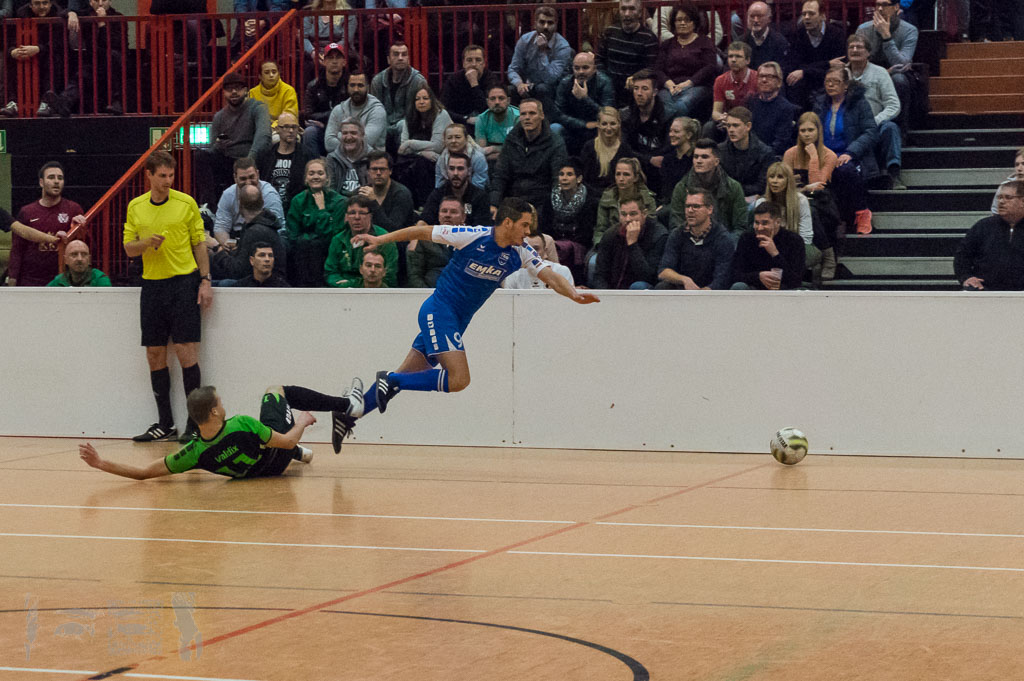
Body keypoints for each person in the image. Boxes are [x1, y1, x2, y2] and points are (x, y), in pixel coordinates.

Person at [335, 197, 598, 441]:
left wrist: (573, 294)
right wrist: (380, 240)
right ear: (508, 222)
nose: (528, 232)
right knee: (458, 379)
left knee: (406, 377)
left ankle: (348, 415)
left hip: (457, 321)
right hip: (439, 311)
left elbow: (551, 276)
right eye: (525, 225)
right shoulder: (473, 235)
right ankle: (389, 378)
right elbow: (421, 231)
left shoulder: (521, 251)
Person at [79, 383, 363, 480]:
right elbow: (287, 442)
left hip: (261, 472)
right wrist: (302, 422)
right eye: (220, 402)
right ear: (214, 412)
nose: (223, 404)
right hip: (280, 455)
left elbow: (144, 473)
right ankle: (346, 406)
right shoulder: (242, 424)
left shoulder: (194, 452)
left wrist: (101, 463)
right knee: (276, 390)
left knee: (270, 440)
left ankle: (301, 453)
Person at [123, 151, 211, 443]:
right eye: (162, 176)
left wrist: (205, 280)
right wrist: (146, 243)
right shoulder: (136, 206)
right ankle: (165, 424)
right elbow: (128, 248)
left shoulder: (186, 203)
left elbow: (199, 243)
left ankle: (194, 425)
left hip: (183, 283)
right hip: (152, 286)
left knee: (186, 351)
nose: (168, 181)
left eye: (171, 175)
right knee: (154, 354)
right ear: (148, 175)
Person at [813, 65, 877, 235]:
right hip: (823, 155)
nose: (830, 85)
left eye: (835, 81)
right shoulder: (819, 104)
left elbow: (871, 132)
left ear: (846, 85)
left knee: (844, 170)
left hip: (851, 155)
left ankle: (862, 212)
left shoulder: (859, 103)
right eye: (827, 81)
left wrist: (851, 152)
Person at [196, 71, 272, 208]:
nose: (234, 92)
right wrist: (218, 146)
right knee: (200, 156)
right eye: (229, 89)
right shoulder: (219, 116)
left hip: (253, 159)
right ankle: (209, 207)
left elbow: (263, 136)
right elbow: (212, 147)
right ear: (224, 93)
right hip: (229, 161)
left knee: (266, 151)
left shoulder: (258, 108)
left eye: (238, 88)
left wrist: (250, 159)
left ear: (246, 90)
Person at [489, 100, 568, 228]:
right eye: (523, 114)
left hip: (542, 201)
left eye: (532, 113)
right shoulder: (511, 139)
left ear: (542, 115)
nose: (527, 118)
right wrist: (494, 203)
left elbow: (557, 180)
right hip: (513, 198)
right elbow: (500, 174)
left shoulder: (555, 143)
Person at [8, 161, 84, 287]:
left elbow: (84, 245)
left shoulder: (74, 209)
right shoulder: (27, 212)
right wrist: (12, 278)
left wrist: (81, 229)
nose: (56, 181)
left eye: (60, 178)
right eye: (51, 177)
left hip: (64, 279)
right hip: (31, 280)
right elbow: (17, 249)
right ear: (41, 182)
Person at [784, 111, 840, 279]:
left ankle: (827, 259)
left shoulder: (829, 155)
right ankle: (827, 255)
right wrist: (805, 189)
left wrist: (814, 157)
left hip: (822, 200)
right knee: (806, 207)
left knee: (812, 210)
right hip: (794, 198)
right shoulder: (790, 154)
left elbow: (819, 185)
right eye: (803, 130)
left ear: (818, 131)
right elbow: (784, 184)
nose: (807, 134)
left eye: (810, 130)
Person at [846, 34, 903, 190]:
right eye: (851, 47)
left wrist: (874, 121)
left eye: (859, 47)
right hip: (849, 125)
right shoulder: (841, 74)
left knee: (891, 128)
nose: (855, 50)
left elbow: (893, 104)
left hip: (876, 124)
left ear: (868, 52)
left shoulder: (880, 72)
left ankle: (893, 173)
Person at [2, 0, 70, 118]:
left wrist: (38, 49)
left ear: (50, 4)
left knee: (54, 60)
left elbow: (58, 44)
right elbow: (9, 40)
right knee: (10, 60)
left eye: (45, 3)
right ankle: (13, 102)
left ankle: (47, 103)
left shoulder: (58, 16)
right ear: (30, 5)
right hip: (24, 54)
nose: (41, 7)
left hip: (47, 56)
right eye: (37, 3)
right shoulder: (21, 16)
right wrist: (13, 51)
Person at [286, 158, 347, 287]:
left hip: (329, 252)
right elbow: (293, 234)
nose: (315, 177)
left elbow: (333, 235)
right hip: (302, 254)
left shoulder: (339, 202)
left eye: (320, 173)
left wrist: (322, 210)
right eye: (311, 173)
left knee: (315, 245)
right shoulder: (298, 200)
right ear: (305, 178)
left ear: (327, 178)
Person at [656, 188, 733, 290]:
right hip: (683, 290)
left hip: (711, 293)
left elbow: (722, 279)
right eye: (687, 206)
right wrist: (684, 280)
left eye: (696, 206)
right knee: (663, 286)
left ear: (710, 209)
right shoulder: (677, 234)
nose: (690, 211)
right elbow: (663, 271)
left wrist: (700, 294)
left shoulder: (722, 238)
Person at [955, 181, 1024, 291]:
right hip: (985, 290)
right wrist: (966, 277)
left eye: (1008, 197)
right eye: (1000, 197)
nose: (1001, 202)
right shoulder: (983, 226)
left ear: (1022, 201)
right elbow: (962, 256)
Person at [669, 139, 747, 236]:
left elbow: (740, 227)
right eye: (696, 157)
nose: (699, 161)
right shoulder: (682, 188)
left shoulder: (733, 187)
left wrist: (727, 243)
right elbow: (676, 226)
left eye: (704, 157)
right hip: (692, 241)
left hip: (723, 240)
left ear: (716, 161)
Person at [210, 184, 287, 283]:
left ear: (240, 206)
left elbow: (237, 271)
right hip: (271, 280)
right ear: (262, 203)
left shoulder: (255, 231)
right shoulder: (261, 225)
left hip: (265, 285)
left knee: (219, 284)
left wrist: (217, 248)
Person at [654, 2, 717, 119]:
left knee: (681, 104)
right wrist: (669, 84)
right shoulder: (667, 44)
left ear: (694, 22)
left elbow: (710, 67)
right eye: (679, 20)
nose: (682, 23)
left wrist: (688, 83)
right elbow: (658, 69)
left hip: (696, 86)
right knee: (664, 104)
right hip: (670, 87)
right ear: (674, 23)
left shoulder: (705, 42)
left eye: (687, 20)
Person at [507, 6, 573, 116]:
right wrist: (519, 84)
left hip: (553, 87)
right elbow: (513, 69)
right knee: (511, 89)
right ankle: (516, 123)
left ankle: (546, 122)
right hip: (528, 85)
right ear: (535, 23)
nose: (546, 27)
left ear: (556, 25)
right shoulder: (525, 40)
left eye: (550, 23)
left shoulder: (563, 47)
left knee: (542, 88)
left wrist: (542, 51)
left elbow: (550, 79)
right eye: (542, 22)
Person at [752, 162, 819, 271]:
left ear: (788, 180)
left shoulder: (800, 200)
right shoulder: (761, 202)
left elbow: (806, 235)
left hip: (795, 245)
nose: (774, 181)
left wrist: (790, 250)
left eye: (780, 177)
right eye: (771, 177)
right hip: (769, 243)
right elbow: (758, 232)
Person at [593, 197, 668, 289]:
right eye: (623, 214)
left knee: (638, 286)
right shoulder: (610, 234)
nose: (628, 219)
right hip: (615, 289)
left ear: (644, 214)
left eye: (633, 214)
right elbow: (600, 274)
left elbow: (649, 276)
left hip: (644, 288)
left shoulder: (658, 235)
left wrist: (633, 244)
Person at [595, 0, 660, 107]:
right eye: (623, 9)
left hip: (635, 91)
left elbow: (652, 68)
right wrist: (606, 81)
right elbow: (598, 60)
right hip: (609, 89)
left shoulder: (649, 38)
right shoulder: (609, 32)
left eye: (632, 9)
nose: (627, 14)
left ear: (640, 13)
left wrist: (636, 77)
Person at [324, 195, 398, 288]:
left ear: (370, 216)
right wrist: (344, 286)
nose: (357, 217)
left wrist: (354, 284)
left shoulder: (383, 238)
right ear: (346, 216)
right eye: (352, 213)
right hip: (344, 290)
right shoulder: (338, 239)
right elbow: (330, 273)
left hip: (375, 288)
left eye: (362, 213)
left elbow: (389, 275)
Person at [395, 85, 452, 206]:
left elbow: (437, 146)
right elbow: (402, 149)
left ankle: (424, 204)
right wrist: (421, 152)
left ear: (432, 100)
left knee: (421, 165)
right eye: (417, 99)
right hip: (419, 156)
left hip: (441, 157)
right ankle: (407, 204)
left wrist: (410, 143)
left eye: (425, 98)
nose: (421, 102)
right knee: (401, 164)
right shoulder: (409, 116)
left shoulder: (441, 114)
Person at [785, 0, 846, 110]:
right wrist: (827, 64)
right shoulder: (797, 34)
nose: (806, 17)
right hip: (805, 86)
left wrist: (804, 71)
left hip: (828, 82)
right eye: (804, 14)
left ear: (823, 16)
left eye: (811, 13)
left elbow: (838, 66)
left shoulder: (837, 34)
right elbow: (794, 66)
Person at [730, 201, 805, 290]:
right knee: (739, 286)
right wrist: (758, 276)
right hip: (753, 288)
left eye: (765, 223)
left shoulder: (794, 240)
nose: (759, 228)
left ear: (778, 222)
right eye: (757, 223)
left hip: (783, 289)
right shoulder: (746, 238)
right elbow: (735, 275)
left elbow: (796, 280)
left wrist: (775, 254)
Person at [212, 158, 285, 248]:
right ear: (235, 178)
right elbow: (220, 227)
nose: (248, 182)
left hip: (265, 238)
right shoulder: (228, 194)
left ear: (257, 174)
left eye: (251, 177)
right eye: (243, 179)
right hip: (236, 237)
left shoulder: (269, 195)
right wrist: (228, 245)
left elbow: (277, 229)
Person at [553, 51, 615, 155]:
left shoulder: (604, 82)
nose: (581, 72)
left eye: (585, 68)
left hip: (597, 127)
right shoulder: (565, 83)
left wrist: (585, 99)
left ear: (594, 69)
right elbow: (558, 114)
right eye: (577, 68)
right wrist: (584, 124)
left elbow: (608, 114)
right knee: (555, 128)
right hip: (573, 126)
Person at [370, 42, 428, 151]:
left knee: (402, 125)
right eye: (396, 54)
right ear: (388, 59)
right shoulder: (378, 81)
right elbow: (374, 110)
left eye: (404, 54)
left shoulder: (418, 81)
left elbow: (423, 112)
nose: (400, 58)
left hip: (409, 127)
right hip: (384, 124)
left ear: (408, 58)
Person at [619, 69, 671, 188]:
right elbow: (624, 148)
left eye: (644, 89)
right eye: (636, 88)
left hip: (659, 170)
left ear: (655, 92)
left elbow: (667, 150)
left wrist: (652, 160)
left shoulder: (668, 116)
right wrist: (648, 159)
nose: (639, 93)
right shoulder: (626, 115)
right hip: (634, 165)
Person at [549, 158, 599, 279]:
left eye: (569, 174)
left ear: (579, 179)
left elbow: (587, 232)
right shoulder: (550, 199)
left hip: (580, 244)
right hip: (555, 243)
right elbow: (546, 225)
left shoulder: (590, 201)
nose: (564, 178)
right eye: (561, 174)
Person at [594, 157, 657, 250]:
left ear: (635, 177)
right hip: (611, 244)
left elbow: (651, 227)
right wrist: (600, 246)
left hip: (639, 244)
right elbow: (600, 229)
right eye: (618, 174)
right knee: (593, 259)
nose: (621, 178)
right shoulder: (607, 198)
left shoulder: (647, 199)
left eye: (626, 174)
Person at [717, 106, 777, 202]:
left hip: (754, 200)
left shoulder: (765, 153)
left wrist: (735, 191)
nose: (731, 130)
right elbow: (718, 182)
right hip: (726, 199)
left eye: (735, 125)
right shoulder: (720, 150)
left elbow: (762, 186)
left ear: (748, 126)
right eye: (728, 126)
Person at [256, 111, 310, 214]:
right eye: (286, 127)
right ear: (277, 129)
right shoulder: (265, 155)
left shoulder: (307, 155)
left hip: (297, 210)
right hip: (267, 209)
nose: (291, 131)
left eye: (294, 127)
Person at [301, 42, 349, 157]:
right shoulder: (313, 86)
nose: (334, 61)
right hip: (320, 130)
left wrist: (327, 120)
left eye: (338, 57)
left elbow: (351, 112)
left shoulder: (350, 85)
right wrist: (331, 118)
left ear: (344, 62)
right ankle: (315, 166)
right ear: (324, 61)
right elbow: (308, 114)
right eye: (330, 58)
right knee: (309, 132)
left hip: (344, 128)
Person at [419, 152, 492, 226]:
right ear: (446, 171)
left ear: (469, 171)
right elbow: (424, 220)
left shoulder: (479, 197)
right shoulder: (438, 194)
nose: (455, 173)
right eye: (451, 168)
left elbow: (482, 227)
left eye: (460, 169)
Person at [704, 42, 757, 140]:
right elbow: (715, 112)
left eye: (738, 56)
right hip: (728, 121)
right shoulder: (720, 80)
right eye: (730, 56)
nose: (733, 60)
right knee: (709, 127)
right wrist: (724, 118)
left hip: (752, 121)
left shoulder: (757, 78)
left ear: (748, 60)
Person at [441, 44, 498, 134]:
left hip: (487, 124)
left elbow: (488, 108)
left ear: (484, 64)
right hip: (460, 124)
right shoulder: (453, 80)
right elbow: (443, 109)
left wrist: (474, 84)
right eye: (469, 60)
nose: (474, 64)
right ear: (464, 63)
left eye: (478, 60)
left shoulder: (491, 79)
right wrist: (466, 119)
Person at [325, 72, 387, 154]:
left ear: (368, 88)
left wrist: (340, 135)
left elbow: (364, 144)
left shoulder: (377, 111)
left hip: (370, 158)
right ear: (347, 87)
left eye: (360, 85)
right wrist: (355, 139)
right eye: (352, 85)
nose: (356, 89)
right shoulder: (338, 109)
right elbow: (329, 144)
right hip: (340, 158)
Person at [406, 196, 459, 288]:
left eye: (453, 212)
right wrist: (426, 293)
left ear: (463, 217)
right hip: (429, 291)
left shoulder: (472, 242)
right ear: (438, 216)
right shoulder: (425, 240)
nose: (448, 215)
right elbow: (415, 276)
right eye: (444, 211)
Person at [748, 62, 799, 157]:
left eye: (769, 77)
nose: (764, 80)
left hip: (771, 156)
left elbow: (780, 143)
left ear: (779, 82)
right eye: (761, 76)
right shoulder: (750, 102)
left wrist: (759, 155)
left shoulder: (786, 108)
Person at [580, 106, 634, 194]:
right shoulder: (589, 147)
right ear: (598, 125)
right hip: (592, 196)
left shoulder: (625, 149)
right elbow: (584, 180)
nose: (608, 128)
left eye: (613, 123)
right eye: (604, 124)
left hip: (618, 196)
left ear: (619, 124)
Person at [502, 231, 574, 289]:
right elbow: (508, 301)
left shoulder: (562, 271)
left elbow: (569, 301)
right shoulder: (513, 274)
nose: (531, 254)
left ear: (545, 251)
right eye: (527, 250)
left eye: (536, 249)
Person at [248, 60, 299, 135]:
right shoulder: (252, 92)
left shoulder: (288, 90)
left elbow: (289, 115)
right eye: (266, 73)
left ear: (279, 74)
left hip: (284, 129)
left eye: (274, 72)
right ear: (260, 76)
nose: (271, 75)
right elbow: (251, 117)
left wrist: (272, 127)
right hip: (259, 129)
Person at [657, 116, 699, 204]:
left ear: (688, 135)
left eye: (676, 131)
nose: (671, 134)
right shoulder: (668, 158)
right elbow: (665, 188)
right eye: (670, 131)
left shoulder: (697, 158)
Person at [475, 85, 520, 165]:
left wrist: (493, 148)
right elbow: (482, 153)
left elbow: (519, 150)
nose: (497, 102)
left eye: (501, 98)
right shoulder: (481, 119)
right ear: (487, 102)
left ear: (508, 101)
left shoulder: (518, 117)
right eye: (492, 99)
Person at [435, 123, 489, 190]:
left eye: (458, 137)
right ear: (444, 140)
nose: (453, 141)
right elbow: (439, 185)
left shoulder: (478, 157)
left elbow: (479, 185)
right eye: (449, 138)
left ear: (466, 139)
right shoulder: (442, 159)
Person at [327, 118, 372, 198]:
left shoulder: (373, 157)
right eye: (345, 133)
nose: (348, 137)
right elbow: (330, 190)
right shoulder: (332, 158)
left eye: (353, 133)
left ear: (362, 135)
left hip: (364, 202)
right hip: (339, 202)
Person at [739, 1, 789, 70]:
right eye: (752, 16)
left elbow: (781, 70)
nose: (755, 20)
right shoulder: (741, 41)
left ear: (769, 19)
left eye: (759, 16)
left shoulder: (779, 41)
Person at [45, 239, 111, 287]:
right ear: (65, 260)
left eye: (84, 254)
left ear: (89, 260)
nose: (80, 259)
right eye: (74, 254)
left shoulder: (100, 279)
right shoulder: (59, 281)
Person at [991, 148, 1024, 214]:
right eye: (1017, 165)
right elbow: (995, 212)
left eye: (1023, 164)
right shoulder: (1005, 186)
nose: (1019, 168)